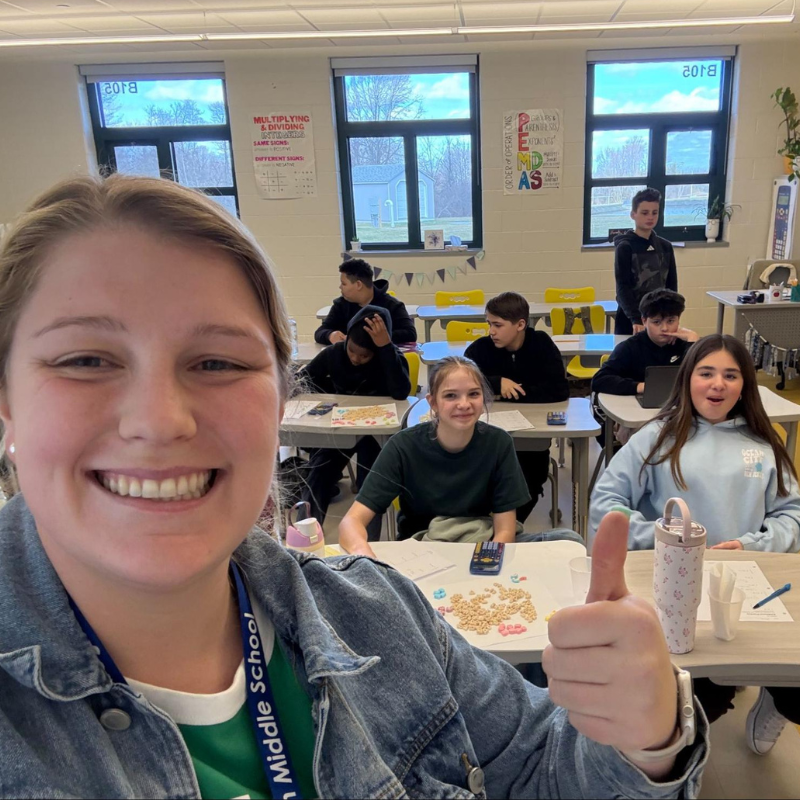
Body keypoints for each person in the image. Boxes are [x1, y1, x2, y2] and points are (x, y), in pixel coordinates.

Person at [0, 173, 708, 798]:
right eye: (85, 359)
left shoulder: (379, 619)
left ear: (279, 395)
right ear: (7, 397)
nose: (158, 420)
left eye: (217, 362)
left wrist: (647, 741)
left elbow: (543, 770)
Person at [590, 333, 800, 753]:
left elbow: (792, 514)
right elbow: (605, 507)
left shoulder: (763, 445)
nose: (717, 384)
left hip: (747, 584)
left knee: (790, 677)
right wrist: (667, 539)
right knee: (690, 700)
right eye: (706, 373)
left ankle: (776, 699)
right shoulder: (657, 436)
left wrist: (751, 545)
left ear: (745, 386)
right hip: (672, 581)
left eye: (730, 375)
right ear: (687, 379)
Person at [340, 356, 583, 557]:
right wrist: (366, 557)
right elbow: (351, 522)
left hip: (482, 541)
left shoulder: (498, 443)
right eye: (451, 396)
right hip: (425, 546)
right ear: (432, 403)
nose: (464, 404)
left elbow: (505, 530)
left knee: (570, 541)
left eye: (474, 394)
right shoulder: (403, 446)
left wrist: (485, 564)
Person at [299, 305, 410, 540]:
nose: (356, 359)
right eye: (352, 351)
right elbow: (305, 380)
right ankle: (305, 540)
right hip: (340, 430)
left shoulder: (390, 356)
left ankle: (368, 545)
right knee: (318, 473)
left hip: (375, 435)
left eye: (365, 355)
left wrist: (386, 348)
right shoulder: (334, 353)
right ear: (346, 339)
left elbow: (401, 391)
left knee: (369, 486)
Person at [465, 292, 569, 523]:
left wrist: (504, 394)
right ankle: (487, 523)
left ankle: (510, 526)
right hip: (487, 441)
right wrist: (496, 383)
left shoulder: (541, 344)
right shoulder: (479, 350)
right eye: (489, 324)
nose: (491, 331)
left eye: (498, 325)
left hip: (532, 441)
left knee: (530, 477)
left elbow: (559, 390)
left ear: (520, 324)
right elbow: (464, 384)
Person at [592, 289, 698, 446]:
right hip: (637, 418)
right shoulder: (629, 348)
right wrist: (641, 387)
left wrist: (693, 342)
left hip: (676, 413)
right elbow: (599, 380)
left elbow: (701, 375)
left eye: (671, 321)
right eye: (656, 322)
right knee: (647, 440)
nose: (665, 328)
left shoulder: (685, 345)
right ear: (644, 321)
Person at [613, 188, 678, 336]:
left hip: (660, 318)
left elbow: (671, 286)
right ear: (633, 214)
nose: (650, 217)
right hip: (631, 319)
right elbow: (622, 288)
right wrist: (635, 319)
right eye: (644, 213)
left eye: (654, 213)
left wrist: (673, 316)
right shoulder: (625, 247)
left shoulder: (665, 246)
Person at [314, 258, 417, 345]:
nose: (340, 287)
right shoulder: (341, 305)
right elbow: (320, 332)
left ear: (358, 285)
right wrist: (330, 335)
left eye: (344, 284)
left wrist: (378, 337)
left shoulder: (392, 305)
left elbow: (410, 334)